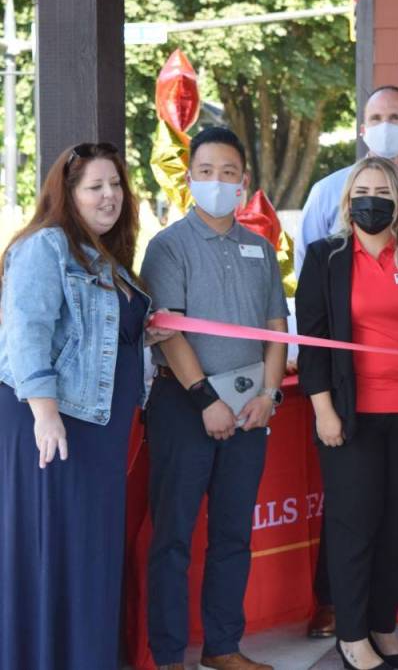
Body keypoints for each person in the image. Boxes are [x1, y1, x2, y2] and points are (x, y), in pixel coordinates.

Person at [0, 143, 169, 670]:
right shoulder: (45, 247)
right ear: (67, 194)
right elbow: (26, 330)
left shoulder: (106, 258)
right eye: (95, 186)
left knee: (89, 557)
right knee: (57, 554)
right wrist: (45, 414)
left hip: (99, 431)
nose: (109, 196)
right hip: (57, 427)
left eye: (115, 185)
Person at [299, 84, 398, 635]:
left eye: (396, 117)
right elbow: (315, 326)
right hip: (351, 403)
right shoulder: (326, 216)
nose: (373, 199)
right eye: (375, 116)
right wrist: (323, 406)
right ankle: (343, 616)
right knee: (352, 518)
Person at [141, 126, 289, 670]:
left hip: (251, 409)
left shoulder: (259, 247)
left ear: (243, 182)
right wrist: (206, 399)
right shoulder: (168, 246)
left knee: (233, 534)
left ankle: (223, 647)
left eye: (228, 173)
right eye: (205, 172)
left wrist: (270, 394)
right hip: (185, 406)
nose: (217, 182)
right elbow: (169, 331)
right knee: (173, 539)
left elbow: (277, 326)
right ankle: (168, 655)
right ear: (190, 178)